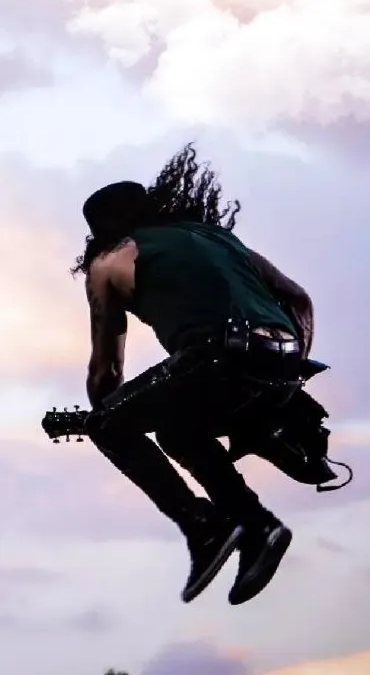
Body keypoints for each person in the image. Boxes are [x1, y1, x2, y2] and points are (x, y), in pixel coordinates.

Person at [71, 144, 314, 606]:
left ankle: (202, 528)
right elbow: (299, 300)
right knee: (178, 432)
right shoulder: (218, 237)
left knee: (106, 424)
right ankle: (257, 525)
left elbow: (108, 371)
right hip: (283, 362)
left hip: (215, 359)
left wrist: (107, 413)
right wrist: (289, 373)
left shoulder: (110, 262)